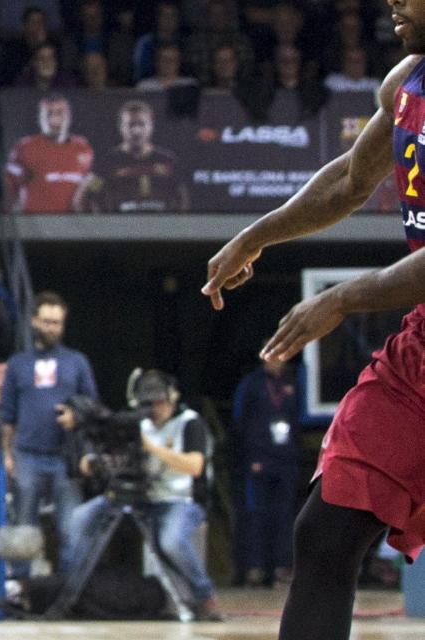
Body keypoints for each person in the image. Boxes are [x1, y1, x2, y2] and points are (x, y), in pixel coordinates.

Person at [201, 9, 425, 633]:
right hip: (424, 347)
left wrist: (344, 298)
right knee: (326, 532)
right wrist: (256, 236)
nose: (392, 3)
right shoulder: (407, 80)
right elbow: (350, 183)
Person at [63, 371, 218, 620]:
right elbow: (118, 456)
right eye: (148, 403)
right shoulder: (135, 424)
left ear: (172, 398)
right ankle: (68, 593)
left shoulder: (190, 422)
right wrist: (96, 462)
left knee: (171, 541)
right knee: (80, 518)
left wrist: (151, 447)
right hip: (138, 496)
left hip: (179, 500)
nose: (154, 409)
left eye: (159, 401)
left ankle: (203, 595)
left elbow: (194, 466)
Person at [1, 292, 96, 570]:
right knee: (23, 529)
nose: (51, 328)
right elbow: (8, 414)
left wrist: (76, 417)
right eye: (46, 321)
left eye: (57, 322)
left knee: (71, 528)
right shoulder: (18, 363)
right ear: (34, 321)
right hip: (27, 454)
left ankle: (71, 595)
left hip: (65, 457)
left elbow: (93, 407)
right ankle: (21, 593)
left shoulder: (76, 361)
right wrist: (7, 454)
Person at [231, 358, 299, 588]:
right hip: (258, 461)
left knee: (284, 515)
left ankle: (282, 567)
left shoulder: (292, 382)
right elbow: (239, 421)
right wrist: (251, 456)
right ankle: (254, 567)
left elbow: (297, 419)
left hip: (285, 459)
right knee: (256, 515)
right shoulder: (251, 384)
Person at [73, 100, 187, 213]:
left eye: (141, 124)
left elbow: (182, 196)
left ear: (151, 126)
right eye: (130, 124)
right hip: (122, 228)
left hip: (160, 227)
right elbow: (82, 197)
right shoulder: (109, 162)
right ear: (121, 127)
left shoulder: (167, 160)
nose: (136, 131)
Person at [4, 95, 93, 213]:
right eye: (49, 113)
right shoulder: (25, 147)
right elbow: (9, 187)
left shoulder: (83, 147)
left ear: (69, 116)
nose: (54, 118)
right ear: (40, 118)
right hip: (37, 222)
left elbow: (90, 183)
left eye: (60, 112)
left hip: (74, 224)